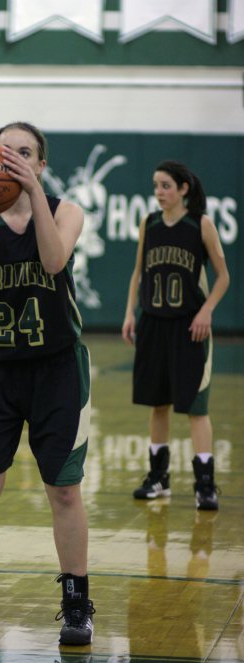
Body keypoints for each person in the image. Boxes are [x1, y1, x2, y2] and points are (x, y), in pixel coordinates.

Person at [0, 122, 95, 645]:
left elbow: (54, 262)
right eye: (3, 152)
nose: (12, 160)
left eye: (24, 153)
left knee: (64, 491)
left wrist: (32, 194)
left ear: (41, 163)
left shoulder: (66, 212)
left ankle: (77, 602)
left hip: (56, 370)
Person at [122, 160, 230, 510]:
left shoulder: (200, 224)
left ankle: (205, 484)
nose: (159, 192)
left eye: (166, 185)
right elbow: (138, 271)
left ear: (183, 189)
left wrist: (206, 309)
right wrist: (129, 314)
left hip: (189, 326)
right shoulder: (149, 223)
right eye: (155, 185)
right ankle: (159, 477)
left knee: (195, 407)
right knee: (158, 402)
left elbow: (223, 276)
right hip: (154, 323)